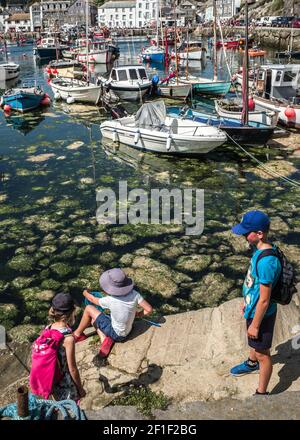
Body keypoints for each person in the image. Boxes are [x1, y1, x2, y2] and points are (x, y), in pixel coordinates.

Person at [230, 210, 282, 395]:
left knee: (263, 353)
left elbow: (265, 299)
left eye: (246, 232)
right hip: (253, 309)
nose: (244, 235)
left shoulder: (267, 261)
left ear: (259, 234)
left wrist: (256, 325)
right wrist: (247, 300)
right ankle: (252, 364)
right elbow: (255, 284)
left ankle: (261, 392)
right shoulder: (259, 250)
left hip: (262, 315)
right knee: (255, 345)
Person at [73, 268, 153, 357]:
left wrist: (85, 293)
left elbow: (92, 299)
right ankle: (105, 339)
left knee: (89, 309)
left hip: (116, 334)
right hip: (128, 330)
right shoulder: (135, 294)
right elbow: (149, 309)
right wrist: (137, 314)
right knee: (95, 319)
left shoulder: (110, 300)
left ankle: (78, 334)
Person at [48, 293, 86, 401]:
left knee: (59, 404)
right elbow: (72, 369)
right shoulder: (68, 339)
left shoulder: (48, 328)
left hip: (52, 378)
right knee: (70, 408)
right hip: (65, 382)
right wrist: (80, 389)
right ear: (72, 311)